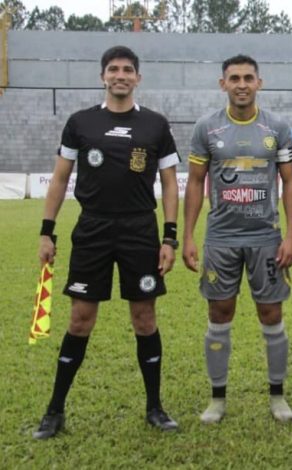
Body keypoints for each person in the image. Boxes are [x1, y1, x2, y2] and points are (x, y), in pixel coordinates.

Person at [33, 46, 180, 439]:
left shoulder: (155, 124)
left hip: (139, 230)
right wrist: (47, 231)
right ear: (103, 77)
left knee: (144, 318)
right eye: (113, 69)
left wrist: (169, 237)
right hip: (93, 230)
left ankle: (155, 407)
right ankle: (54, 410)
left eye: (127, 70)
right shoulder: (80, 122)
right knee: (80, 319)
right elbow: (60, 178)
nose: (120, 75)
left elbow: (169, 184)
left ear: (137, 78)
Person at [183, 54, 292, 423]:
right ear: (223, 84)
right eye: (234, 78)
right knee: (219, 313)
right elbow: (195, 183)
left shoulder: (277, 127)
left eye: (249, 77)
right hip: (221, 238)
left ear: (259, 83)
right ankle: (217, 399)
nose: (242, 84)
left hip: (266, 237)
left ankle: (277, 396)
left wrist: (291, 235)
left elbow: (291, 182)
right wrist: (188, 236)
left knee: (271, 313)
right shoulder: (206, 128)